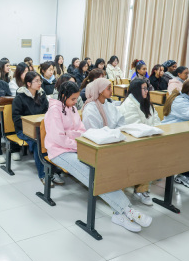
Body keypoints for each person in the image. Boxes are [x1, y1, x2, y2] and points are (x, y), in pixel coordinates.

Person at [45, 81, 152, 232]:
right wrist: (75, 140)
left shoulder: (72, 108)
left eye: (76, 99)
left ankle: (119, 213)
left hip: (76, 147)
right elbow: (58, 139)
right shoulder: (54, 111)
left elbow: (82, 130)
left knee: (103, 170)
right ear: (63, 96)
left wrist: (71, 135)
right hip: (59, 152)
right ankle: (126, 210)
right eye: (73, 99)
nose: (76, 102)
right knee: (91, 174)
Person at [119, 79, 161, 205]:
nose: (147, 91)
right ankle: (137, 189)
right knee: (145, 157)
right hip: (131, 142)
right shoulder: (129, 104)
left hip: (147, 139)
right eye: (144, 89)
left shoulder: (147, 103)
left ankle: (141, 189)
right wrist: (152, 132)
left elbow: (157, 121)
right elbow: (136, 127)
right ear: (137, 90)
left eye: (147, 88)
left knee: (151, 156)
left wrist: (154, 132)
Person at [11, 71, 52, 184]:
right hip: (24, 130)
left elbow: (47, 112)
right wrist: (30, 127)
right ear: (29, 84)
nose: (40, 83)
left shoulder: (41, 95)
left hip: (41, 129)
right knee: (38, 142)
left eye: (40, 80)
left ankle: (54, 171)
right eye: (36, 81)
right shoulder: (19, 98)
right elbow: (16, 118)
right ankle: (43, 174)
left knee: (52, 139)